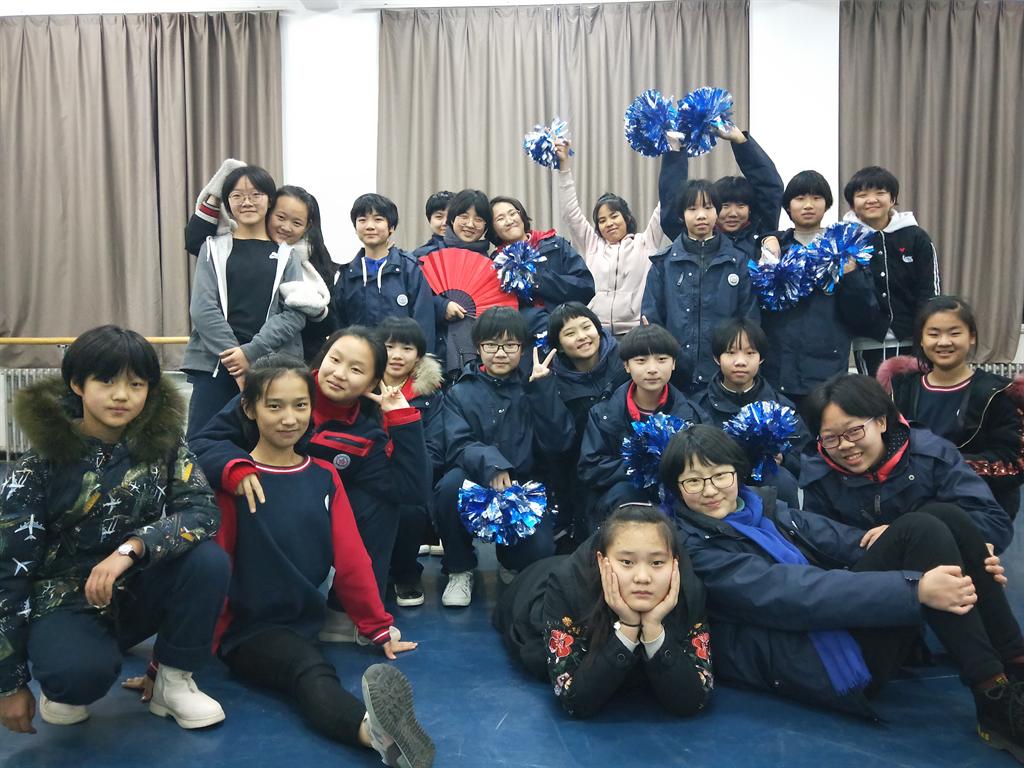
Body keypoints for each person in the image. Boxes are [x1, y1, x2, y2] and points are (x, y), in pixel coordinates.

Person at [665, 424, 1024, 760]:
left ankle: (1015, 663)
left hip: (830, 630)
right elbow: (792, 594)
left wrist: (963, 552)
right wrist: (914, 590)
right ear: (676, 488)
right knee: (922, 530)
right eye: (693, 481)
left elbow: (843, 540)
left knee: (944, 517)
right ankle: (992, 694)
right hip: (811, 658)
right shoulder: (695, 550)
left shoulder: (764, 510)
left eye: (720, 475)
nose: (710, 490)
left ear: (738, 472)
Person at [0, 326, 229, 734]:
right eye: (106, 381)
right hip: (65, 600)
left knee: (207, 560)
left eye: (136, 384)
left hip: (134, 587)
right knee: (76, 680)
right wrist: (9, 683)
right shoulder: (38, 465)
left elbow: (202, 511)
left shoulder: (164, 444)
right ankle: (66, 666)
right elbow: (9, 574)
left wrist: (132, 548)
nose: (121, 395)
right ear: (78, 385)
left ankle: (173, 680)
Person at [211, 355, 434, 767]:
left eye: (300, 405)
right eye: (274, 406)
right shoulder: (236, 479)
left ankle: (384, 735)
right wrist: (171, 661)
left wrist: (377, 627)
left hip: (302, 622)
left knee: (306, 659)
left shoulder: (324, 475)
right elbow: (213, 567)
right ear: (249, 409)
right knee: (309, 670)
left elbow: (351, 560)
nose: (289, 418)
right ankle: (375, 735)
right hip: (245, 633)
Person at [189, 327, 430, 640]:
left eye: (356, 370)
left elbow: (409, 490)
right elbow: (202, 443)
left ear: (373, 383)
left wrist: (403, 420)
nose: (339, 374)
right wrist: (236, 468)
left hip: (309, 516)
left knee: (382, 504)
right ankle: (217, 608)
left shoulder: (365, 432)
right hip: (252, 506)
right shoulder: (280, 387)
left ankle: (342, 615)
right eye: (335, 360)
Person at [493, 503, 713, 718]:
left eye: (657, 563)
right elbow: (575, 700)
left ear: (674, 563)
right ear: (602, 560)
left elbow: (693, 700)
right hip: (530, 590)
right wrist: (628, 628)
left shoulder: (690, 592)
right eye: (627, 562)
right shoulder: (567, 588)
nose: (643, 578)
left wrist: (653, 629)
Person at [433, 307, 574, 607]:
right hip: (477, 478)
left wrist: (542, 391)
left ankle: (511, 560)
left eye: (510, 345)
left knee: (539, 550)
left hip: (523, 484)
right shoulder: (460, 391)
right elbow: (457, 444)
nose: (500, 353)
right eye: (491, 345)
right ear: (478, 347)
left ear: (521, 348)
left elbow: (559, 442)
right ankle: (459, 568)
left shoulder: (536, 384)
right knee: (448, 487)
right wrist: (492, 465)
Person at [799, 373, 1013, 554]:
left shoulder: (932, 456)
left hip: (938, 566)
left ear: (881, 421)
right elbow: (817, 540)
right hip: (865, 577)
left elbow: (994, 524)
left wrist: (911, 533)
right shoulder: (819, 473)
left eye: (854, 431)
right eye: (830, 437)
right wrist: (890, 543)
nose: (844, 445)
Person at [181, 165, 308, 439]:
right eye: (237, 195)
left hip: (271, 366)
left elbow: (295, 313)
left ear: (270, 200)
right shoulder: (212, 248)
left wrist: (250, 353)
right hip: (215, 365)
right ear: (227, 203)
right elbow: (202, 309)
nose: (246, 202)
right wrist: (234, 359)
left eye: (255, 194)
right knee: (203, 444)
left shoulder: (288, 256)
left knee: (268, 444)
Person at [878, 295, 1024, 521]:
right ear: (921, 339)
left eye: (954, 333)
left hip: (978, 509)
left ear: (971, 336)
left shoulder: (998, 393)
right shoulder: (901, 389)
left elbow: (1013, 463)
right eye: (934, 334)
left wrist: (941, 467)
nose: (944, 342)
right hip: (911, 507)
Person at [184, 161, 335, 364]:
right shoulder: (217, 247)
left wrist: (316, 310)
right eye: (280, 217)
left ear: (307, 227)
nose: (286, 227)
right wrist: (223, 184)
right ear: (270, 209)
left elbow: (318, 321)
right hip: (219, 360)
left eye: (297, 223)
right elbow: (195, 238)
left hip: (286, 360)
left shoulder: (306, 262)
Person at [758, 171, 883, 408]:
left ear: (827, 204)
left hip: (828, 367)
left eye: (816, 198)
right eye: (800, 198)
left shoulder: (846, 248)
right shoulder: (774, 249)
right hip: (778, 368)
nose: (808, 205)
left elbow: (865, 315)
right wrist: (767, 241)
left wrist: (852, 276)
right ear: (787, 207)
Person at [553, 140, 687, 337]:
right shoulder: (592, 244)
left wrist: (674, 152)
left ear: (627, 218)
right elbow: (570, 213)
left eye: (614, 216)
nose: (609, 223)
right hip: (597, 333)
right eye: (602, 220)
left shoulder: (646, 241)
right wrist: (563, 166)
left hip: (636, 333)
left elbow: (667, 202)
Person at [578, 324, 707, 525]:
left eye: (662, 359)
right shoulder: (602, 414)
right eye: (641, 361)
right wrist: (642, 466)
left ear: (674, 363)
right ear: (627, 366)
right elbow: (591, 467)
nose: (652, 369)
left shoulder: (692, 414)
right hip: (624, 504)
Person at [641, 179, 759, 392]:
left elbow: (749, 320)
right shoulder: (663, 263)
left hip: (725, 376)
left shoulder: (739, 262)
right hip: (674, 377)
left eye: (708, 207)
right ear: (681, 215)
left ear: (717, 211)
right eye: (692, 209)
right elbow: (652, 323)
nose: (701, 215)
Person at [693, 319, 808, 506]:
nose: (740, 362)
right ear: (716, 358)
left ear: (761, 358)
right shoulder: (697, 406)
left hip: (769, 488)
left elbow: (806, 457)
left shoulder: (781, 408)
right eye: (731, 353)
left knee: (783, 481)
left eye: (750, 353)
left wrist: (784, 459)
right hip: (714, 487)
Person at [841, 166, 940, 374]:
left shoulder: (916, 237)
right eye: (862, 195)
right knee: (875, 394)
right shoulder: (844, 240)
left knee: (913, 393)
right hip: (867, 341)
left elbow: (929, 290)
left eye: (880, 193)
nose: (871, 200)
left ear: (893, 199)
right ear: (852, 203)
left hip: (913, 340)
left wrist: (927, 335)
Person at [545, 302, 630, 544]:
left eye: (586, 327)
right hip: (585, 470)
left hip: (627, 463)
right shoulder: (552, 381)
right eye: (570, 333)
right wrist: (541, 389)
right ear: (559, 346)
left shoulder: (626, 360)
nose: (582, 337)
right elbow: (557, 442)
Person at [377, 317, 446, 607]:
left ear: (418, 355)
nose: (397, 355)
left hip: (410, 474)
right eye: (389, 346)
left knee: (410, 509)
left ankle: (406, 574)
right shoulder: (360, 385)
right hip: (369, 472)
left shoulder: (429, 393)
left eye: (406, 348)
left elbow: (434, 447)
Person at [333, 194, 436, 352]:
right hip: (360, 359)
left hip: (400, 359)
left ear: (391, 227)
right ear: (355, 227)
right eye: (362, 220)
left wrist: (421, 359)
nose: (369, 226)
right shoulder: (347, 275)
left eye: (378, 219)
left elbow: (424, 321)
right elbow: (339, 326)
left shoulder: (409, 269)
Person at [487, 194, 596, 340]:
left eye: (512, 213)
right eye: (500, 219)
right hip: (525, 338)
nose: (509, 221)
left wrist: (536, 278)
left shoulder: (555, 244)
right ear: (493, 228)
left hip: (569, 329)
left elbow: (586, 288)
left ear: (521, 215)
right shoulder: (496, 264)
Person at [416, 188, 493, 376]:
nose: (470, 224)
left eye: (478, 219)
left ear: (486, 226)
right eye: (464, 217)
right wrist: (442, 306)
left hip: (480, 357)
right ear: (452, 219)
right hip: (434, 354)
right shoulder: (424, 257)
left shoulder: (492, 265)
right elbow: (413, 300)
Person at [711, 125, 785, 259]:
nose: (733, 214)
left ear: (750, 209)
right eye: (725, 206)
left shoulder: (762, 236)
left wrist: (741, 141)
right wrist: (676, 151)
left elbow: (770, 187)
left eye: (741, 206)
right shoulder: (701, 239)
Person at [411, 190, 454, 257]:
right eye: (439, 217)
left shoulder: (470, 251)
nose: (445, 223)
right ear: (429, 220)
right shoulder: (420, 255)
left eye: (451, 216)